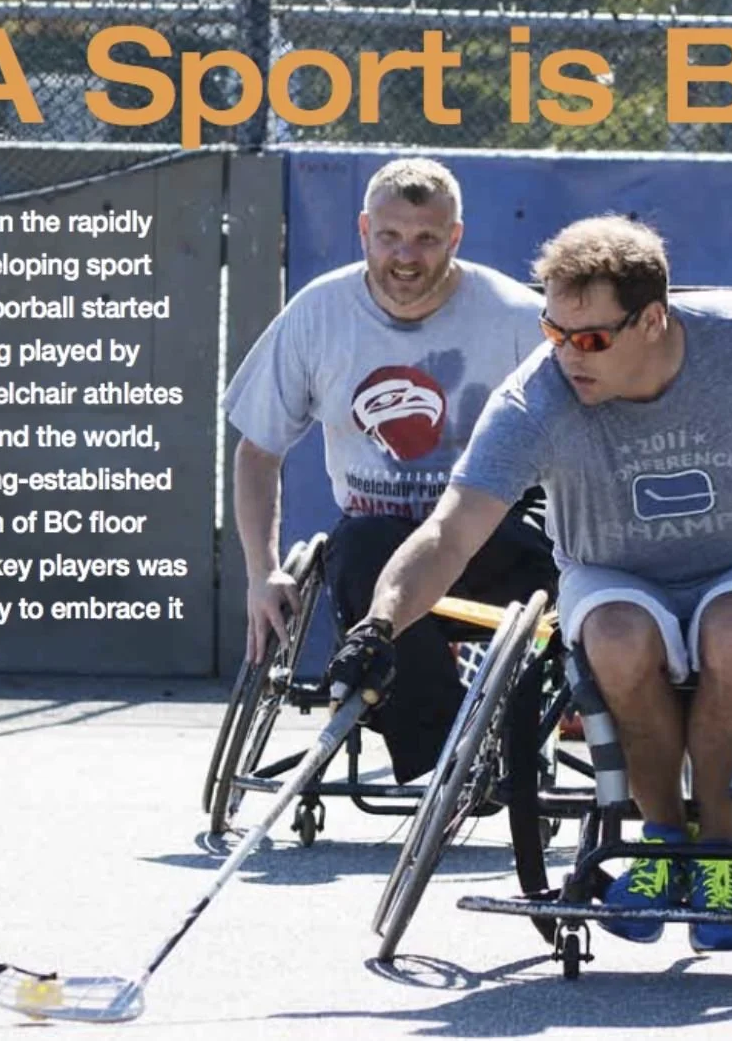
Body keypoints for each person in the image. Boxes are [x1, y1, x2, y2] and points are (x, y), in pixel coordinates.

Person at [326, 213, 732, 950]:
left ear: (652, 320)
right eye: (554, 332)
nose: (570, 357)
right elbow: (449, 532)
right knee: (613, 639)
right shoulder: (535, 399)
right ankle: (663, 842)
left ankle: (719, 854)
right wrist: (378, 625)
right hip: (615, 569)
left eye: (592, 339)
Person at [223, 157, 555, 786]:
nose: (407, 255)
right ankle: (448, 759)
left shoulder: (517, 318)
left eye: (427, 238)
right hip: (379, 551)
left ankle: (466, 740)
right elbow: (258, 452)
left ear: (455, 237)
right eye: (390, 236)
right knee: (363, 546)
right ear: (363, 230)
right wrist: (262, 572)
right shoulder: (319, 314)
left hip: (495, 541)